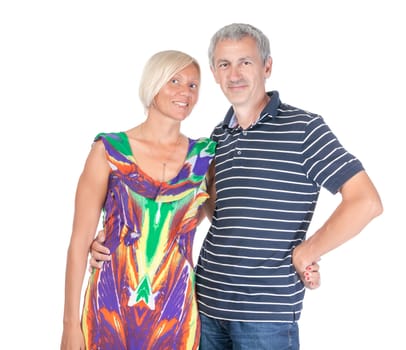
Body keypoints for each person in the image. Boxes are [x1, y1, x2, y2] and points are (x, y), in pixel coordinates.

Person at [90, 23, 383, 349]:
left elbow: (366, 202)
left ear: (267, 66)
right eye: (224, 64)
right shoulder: (217, 139)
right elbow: (199, 209)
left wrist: (307, 253)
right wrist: (115, 239)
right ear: (215, 74)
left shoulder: (304, 128)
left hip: (266, 316)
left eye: (245, 62)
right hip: (204, 305)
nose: (235, 74)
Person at [60, 50, 217, 350]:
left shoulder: (204, 157)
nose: (185, 91)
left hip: (176, 310)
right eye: (175, 80)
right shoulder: (108, 151)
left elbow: (227, 220)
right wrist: (69, 325)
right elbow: (79, 243)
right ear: (153, 84)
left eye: (193, 85)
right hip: (109, 306)